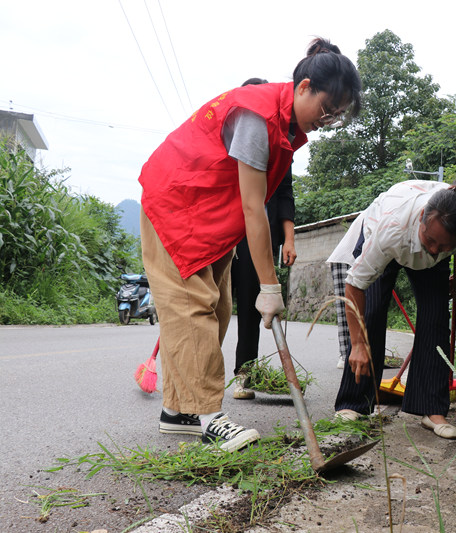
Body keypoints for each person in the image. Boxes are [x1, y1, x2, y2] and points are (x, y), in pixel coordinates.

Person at [139, 38, 361, 452]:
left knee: (218, 307)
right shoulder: (258, 116)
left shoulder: (284, 125)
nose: (327, 120)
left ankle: (178, 412)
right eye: (327, 109)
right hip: (176, 204)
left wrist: (265, 284)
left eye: (336, 116)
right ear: (304, 87)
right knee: (193, 309)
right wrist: (270, 286)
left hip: (207, 216)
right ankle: (207, 415)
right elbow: (254, 208)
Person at [328, 179, 456, 440]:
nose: (433, 250)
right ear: (422, 217)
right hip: (387, 238)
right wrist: (357, 344)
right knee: (372, 314)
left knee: (435, 320)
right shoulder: (390, 229)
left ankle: (432, 410)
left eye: (443, 246)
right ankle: (353, 403)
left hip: (429, 241)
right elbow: (354, 286)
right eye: (430, 240)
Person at [229, 78, 298, 400]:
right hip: (225, 226)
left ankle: (244, 372)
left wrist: (289, 239)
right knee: (210, 305)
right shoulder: (234, 135)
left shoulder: (279, 141)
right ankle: (198, 378)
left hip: (257, 232)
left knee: (250, 302)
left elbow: (284, 193)